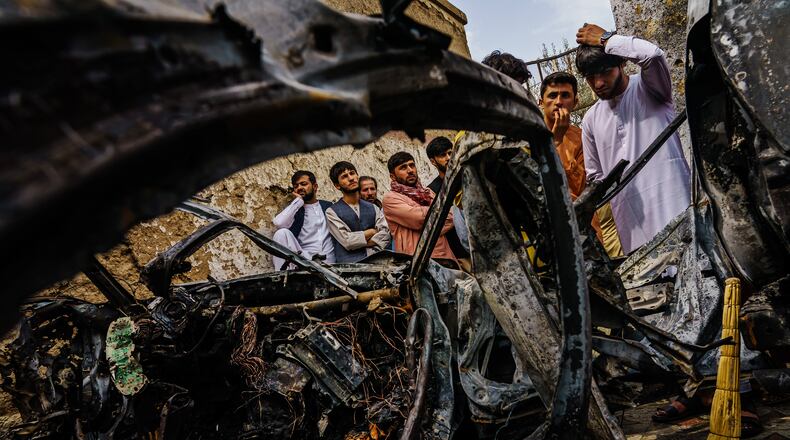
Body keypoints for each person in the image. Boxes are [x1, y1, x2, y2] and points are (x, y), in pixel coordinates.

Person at [575, 24, 690, 254]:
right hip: (633, 229)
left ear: (622, 63)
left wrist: (607, 39)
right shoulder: (590, 120)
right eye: (590, 77)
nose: (598, 84)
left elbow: (652, 55)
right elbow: (596, 177)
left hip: (677, 211)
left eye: (605, 72)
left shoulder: (650, 89)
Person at [539, 71, 623, 257]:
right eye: (552, 95)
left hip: (584, 230)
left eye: (565, 95)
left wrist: (560, 142)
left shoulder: (581, 136)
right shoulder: (530, 137)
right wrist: (555, 141)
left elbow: (582, 188)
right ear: (541, 102)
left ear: (575, 102)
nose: (559, 102)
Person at [382, 152, 456, 260]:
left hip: (445, 256)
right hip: (417, 262)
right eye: (403, 168)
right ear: (393, 176)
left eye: (412, 165)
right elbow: (421, 220)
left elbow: (452, 217)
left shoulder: (428, 192)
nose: (410, 170)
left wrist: (441, 215)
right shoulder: (390, 199)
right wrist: (441, 215)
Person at [325, 162, 391, 263]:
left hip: (376, 264)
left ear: (357, 176)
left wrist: (358, 242)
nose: (351, 178)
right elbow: (348, 241)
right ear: (337, 185)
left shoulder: (373, 207)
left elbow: (386, 235)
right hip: (349, 269)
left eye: (352, 173)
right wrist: (372, 232)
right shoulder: (331, 212)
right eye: (344, 176)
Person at [271, 170, 335, 270]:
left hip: (330, 261)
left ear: (315, 187)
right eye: (296, 186)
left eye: (303, 184)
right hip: (304, 260)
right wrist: (298, 202)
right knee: (281, 233)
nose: (299, 188)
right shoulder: (294, 210)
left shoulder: (328, 206)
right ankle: (282, 277)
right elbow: (278, 223)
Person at [425, 136, 471, 262]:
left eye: (450, 153)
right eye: (442, 155)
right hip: (460, 255)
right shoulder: (432, 191)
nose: (448, 158)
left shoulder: (468, 177)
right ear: (433, 161)